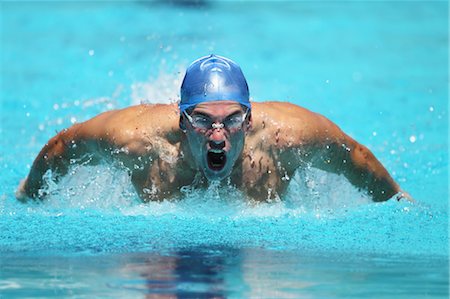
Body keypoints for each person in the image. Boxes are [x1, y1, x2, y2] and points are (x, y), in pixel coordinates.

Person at [16, 54, 410, 203]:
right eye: (203, 121)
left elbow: (354, 156)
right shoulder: (135, 141)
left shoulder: (287, 137)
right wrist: (27, 198)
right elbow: (63, 146)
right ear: (182, 121)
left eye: (232, 120)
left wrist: (398, 202)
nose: (218, 135)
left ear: (250, 119)